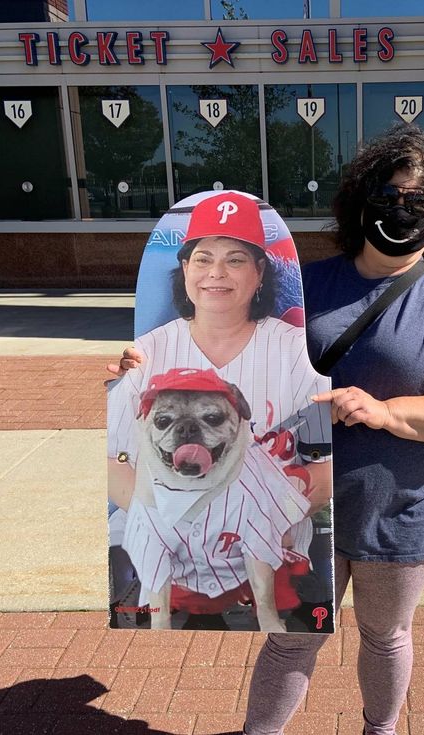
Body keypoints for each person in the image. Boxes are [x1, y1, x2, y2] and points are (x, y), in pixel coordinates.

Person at [110, 125, 424, 734]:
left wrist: (386, 411)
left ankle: (380, 730)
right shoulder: (306, 286)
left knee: (385, 634)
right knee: (293, 639)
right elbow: (222, 354)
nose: (401, 210)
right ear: (360, 202)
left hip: (396, 508)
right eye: (388, 195)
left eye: (419, 199)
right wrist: (144, 371)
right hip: (295, 507)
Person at [106, 190, 332, 631]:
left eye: (235, 260)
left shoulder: (295, 350)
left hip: (273, 553)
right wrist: (167, 523)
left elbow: (326, 461)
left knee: (276, 657)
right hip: (165, 563)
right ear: (185, 269)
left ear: (260, 272)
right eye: (203, 258)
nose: (216, 273)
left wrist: (275, 515)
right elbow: (113, 460)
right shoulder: (146, 353)